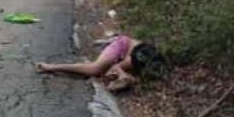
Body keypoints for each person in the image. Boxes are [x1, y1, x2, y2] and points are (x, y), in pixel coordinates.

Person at [36, 34, 165, 91]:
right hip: (122, 45)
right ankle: (52, 67)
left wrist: (128, 79)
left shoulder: (155, 64)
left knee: (112, 78)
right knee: (94, 69)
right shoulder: (132, 60)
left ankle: (111, 41)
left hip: (131, 52)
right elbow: (117, 67)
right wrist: (121, 74)